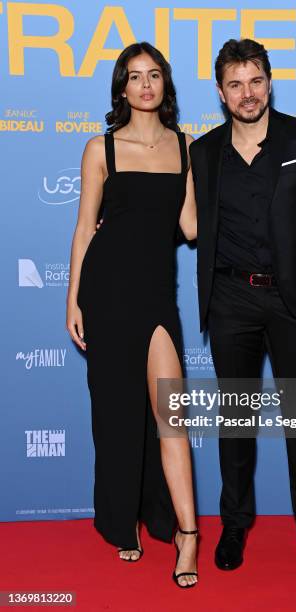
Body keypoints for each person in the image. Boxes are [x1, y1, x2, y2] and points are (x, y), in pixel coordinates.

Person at [189, 38, 296, 569]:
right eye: (235, 84)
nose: (247, 93)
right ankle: (235, 524)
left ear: (269, 82)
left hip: (294, 302)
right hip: (230, 300)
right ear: (221, 91)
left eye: (255, 81)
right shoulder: (204, 151)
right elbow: (181, 219)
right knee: (235, 421)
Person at [66, 42, 199, 588]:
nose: (145, 85)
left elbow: (191, 227)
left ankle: (187, 534)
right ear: (122, 87)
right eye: (134, 76)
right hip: (106, 293)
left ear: (165, 85)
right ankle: (125, 523)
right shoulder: (102, 148)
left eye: (155, 75)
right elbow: (83, 227)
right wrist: (73, 297)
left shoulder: (186, 148)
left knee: (173, 419)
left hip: (156, 297)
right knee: (117, 417)